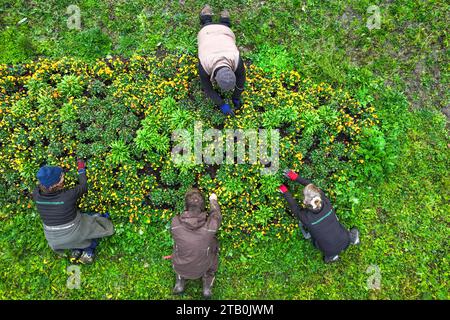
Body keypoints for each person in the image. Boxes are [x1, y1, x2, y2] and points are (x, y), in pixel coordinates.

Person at [33, 159, 114, 264]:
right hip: (73, 232)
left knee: (73, 235)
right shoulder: (67, 196)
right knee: (96, 220)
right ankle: (88, 251)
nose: (63, 177)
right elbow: (84, 187)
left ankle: (75, 250)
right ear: (55, 185)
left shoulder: (36, 194)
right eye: (61, 177)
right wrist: (81, 168)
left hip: (54, 238)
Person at [278, 169, 360, 263]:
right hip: (346, 239)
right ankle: (353, 239)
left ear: (305, 203)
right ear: (318, 194)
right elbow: (311, 187)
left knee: (319, 241)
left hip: (329, 250)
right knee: (341, 230)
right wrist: (295, 177)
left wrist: (285, 191)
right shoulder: (325, 202)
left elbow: (294, 206)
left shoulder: (306, 218)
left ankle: (332, 257)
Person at [171, 188, 222, 299]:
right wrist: (213, 200)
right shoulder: (209, 228)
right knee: (214, 248)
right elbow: (216, 216)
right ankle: (207, 288)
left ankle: (179, 284)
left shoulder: (175, 223)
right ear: (203, 207)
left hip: (179, 266)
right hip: (202, 268)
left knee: (178, 248)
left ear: (186, 206)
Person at [197, 4, 246, 116]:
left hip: (221, 31)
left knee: (222, 28)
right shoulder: (205, 66)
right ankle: (209, 17)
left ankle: (223, 18)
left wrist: (236, 97)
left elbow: (241, 80)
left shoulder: (236, 59)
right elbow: (208, 89)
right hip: (208, 31)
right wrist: (222, 104)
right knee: (207, 25)